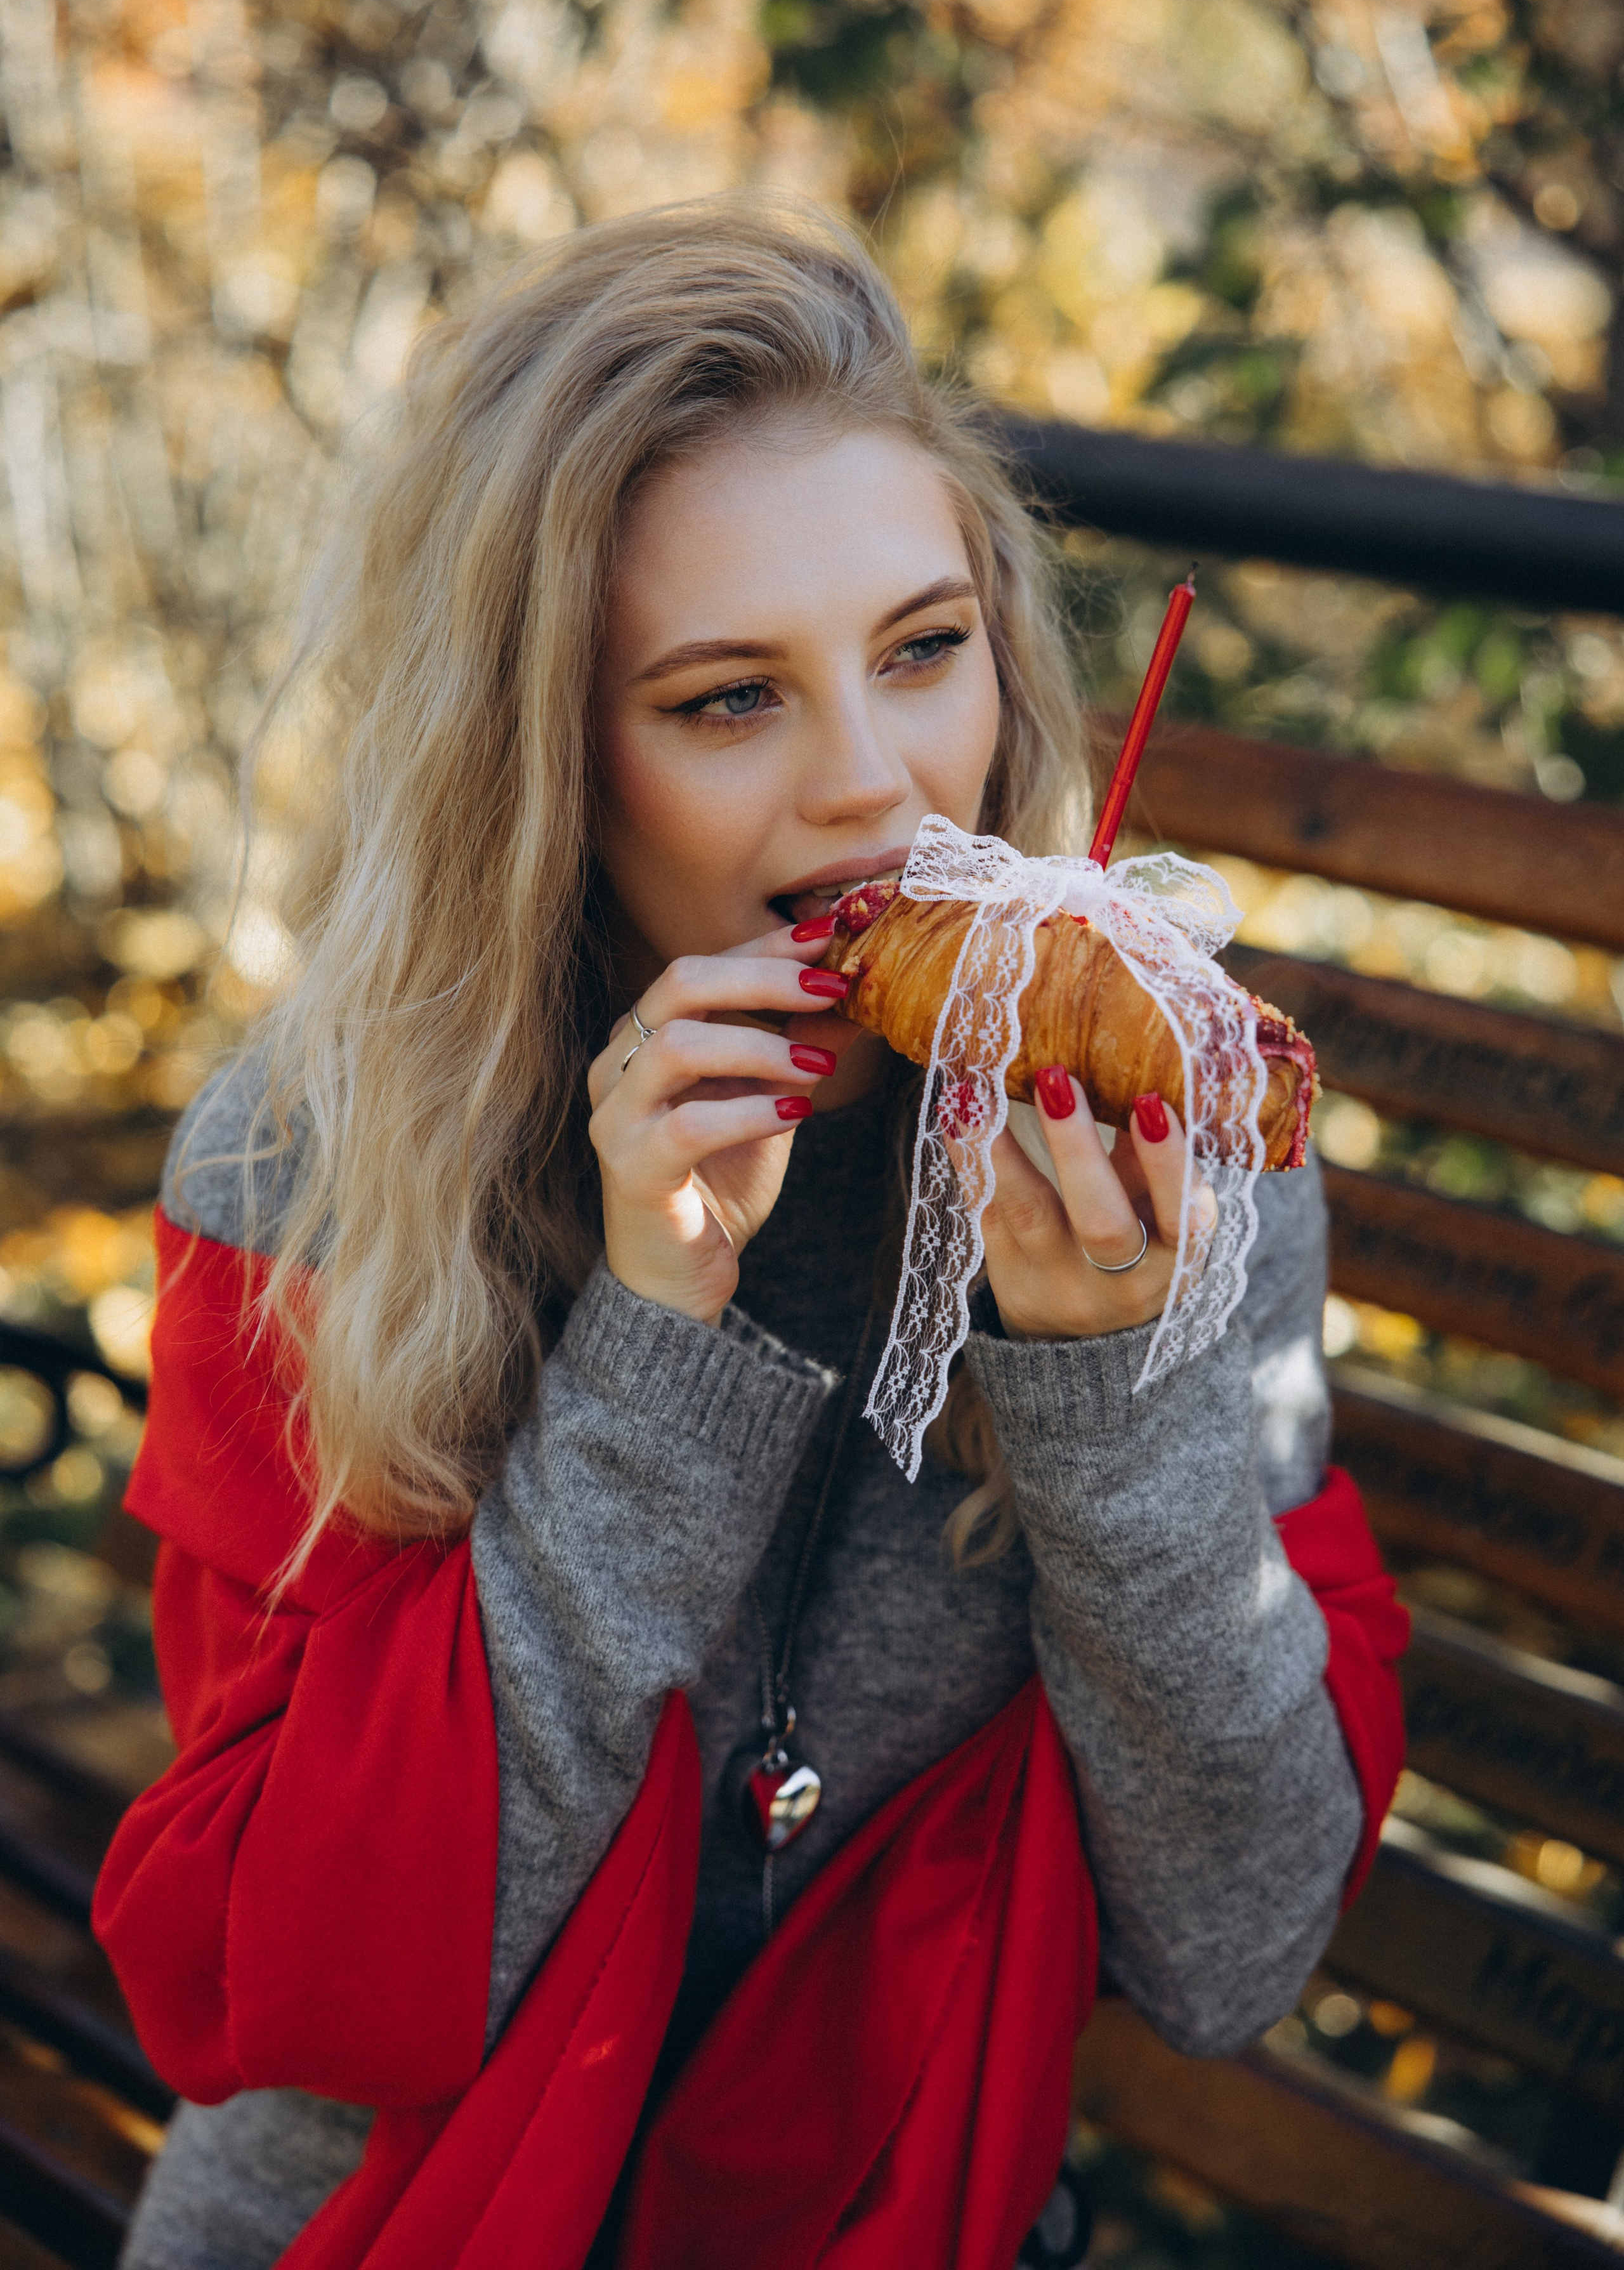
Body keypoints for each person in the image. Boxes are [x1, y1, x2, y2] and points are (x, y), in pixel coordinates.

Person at [95, 197, 1406, 2270]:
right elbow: (300, 2006)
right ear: (549, 766)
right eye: (727, 702)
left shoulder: (1161, 1142)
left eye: (921, 650)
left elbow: (1238, 1951)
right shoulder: (317, 1165)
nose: (877, 791)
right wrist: (648, 1352)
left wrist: (1108, 1395)